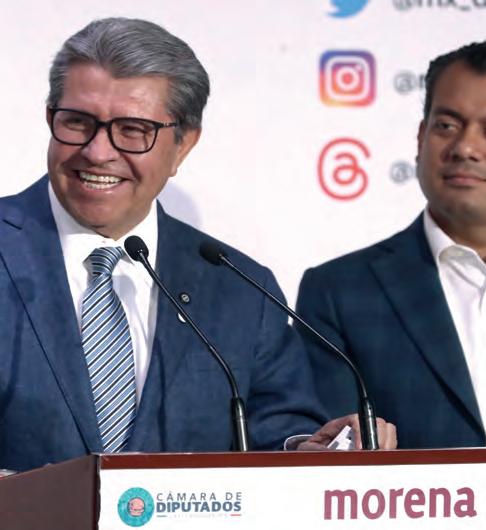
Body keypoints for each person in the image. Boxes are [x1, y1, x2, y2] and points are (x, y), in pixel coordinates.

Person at [0, 17, 395, 472]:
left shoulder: (239, 287)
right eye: (77, 122)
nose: (97, 151)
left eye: (132, 130)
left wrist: (307, 450)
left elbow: (274, 429)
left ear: (183, 145)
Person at [296, 40, 486, 512]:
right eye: (446, 126)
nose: (465, 148)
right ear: (420, 138)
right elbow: (327, 454)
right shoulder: (340, 292)